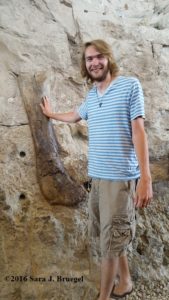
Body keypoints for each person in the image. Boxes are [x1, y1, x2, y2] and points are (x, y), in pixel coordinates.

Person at [40, 39, 153, 300]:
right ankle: (124, 282)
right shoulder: (92, 95)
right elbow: (76, 114)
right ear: (85, 64)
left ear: (108, 58)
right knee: (110, 236)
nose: (94, 62)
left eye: (99, 56)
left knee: (110, 245)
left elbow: (139, 132)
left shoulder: (129, 86)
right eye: (89, 59)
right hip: (98, 179)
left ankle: (103, 297)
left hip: (120, 180)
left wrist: (145, 177)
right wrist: (52, 114)